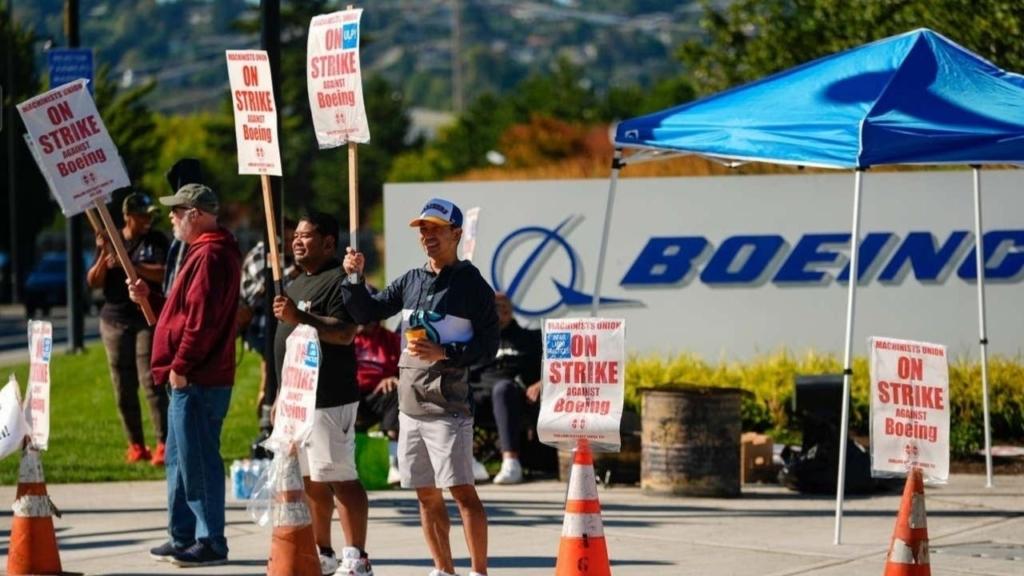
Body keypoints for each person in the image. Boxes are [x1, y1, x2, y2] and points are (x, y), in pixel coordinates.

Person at [343, 197, 499, 576]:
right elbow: (367, 311)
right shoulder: (411, 280)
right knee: (425, 495)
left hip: (448, 407)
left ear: (456, 233)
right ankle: (443, 569)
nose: (427, 235)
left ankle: (479, 572)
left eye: (436, 228)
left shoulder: (473, 285)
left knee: (463, 493)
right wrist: (353, 279)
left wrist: (445, 351)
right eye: (423, 229)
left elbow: (488, 346)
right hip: (409, 408)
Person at [129, 183, 241, 568]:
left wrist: (181, 366)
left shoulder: (210, 255)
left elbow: (201, 323)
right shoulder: (203, 252)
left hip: (198, 378)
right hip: (194, 376)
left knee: (199, 463)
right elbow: (182, 313)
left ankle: (210, 541)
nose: (172, 218)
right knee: (179, 462)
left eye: (177, 211)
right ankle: (184, 535)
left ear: (195, 213)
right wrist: (151, 297)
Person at [272, 211, 373, 576]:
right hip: (298, 402)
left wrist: (301, 317)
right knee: (311, 479)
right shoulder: (295, 284)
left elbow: (345, 332)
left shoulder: (339, 281)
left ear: (329, 241)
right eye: (294, 236)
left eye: (306, 235)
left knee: (339, 476)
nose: (297, 241)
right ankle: (324, 550)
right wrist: (279, 395)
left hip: (329, 398)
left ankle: (356, 556)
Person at [87, 192, 169, 465]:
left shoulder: (156, 240)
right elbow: (93, 282)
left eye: (150, 215)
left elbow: (163, 272)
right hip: (114, 320)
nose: (148, 219)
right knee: (123, 385)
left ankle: (163, 443)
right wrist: (103, 257)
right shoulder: (110, 239)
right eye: (142, 215)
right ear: (127, 216)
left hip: (146, 317)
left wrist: (129, 263)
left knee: (152, 381)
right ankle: (136, 444)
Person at [470, 292, 546, 485]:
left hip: (514, 397)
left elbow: (552, 368)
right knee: (459, 392)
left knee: (502, 389)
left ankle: (511, 463)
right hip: (479, 396)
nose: (501, 309)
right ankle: (465, 461)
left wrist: (541, 383)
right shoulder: (476, 340)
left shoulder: (530, 338)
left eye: (505, 306)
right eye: (496, 305)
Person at [238, 220, 297, 444]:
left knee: (280, 379)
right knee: (268, 379)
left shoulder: (291, 260)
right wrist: (282, 273)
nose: (294, 243)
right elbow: (252, 295)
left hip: (285, 329)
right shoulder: (260, 255)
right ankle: (266, 423)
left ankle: (273, 422)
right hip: (263, 330)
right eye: (290, 239)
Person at [353, 310, 401, 485]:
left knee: (396, 392)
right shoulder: (348, 337)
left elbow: (405, 369)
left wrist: (394, 379)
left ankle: (392, 463)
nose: (369, 324)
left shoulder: (390, 339)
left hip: (378, 393)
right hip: (352, 393)